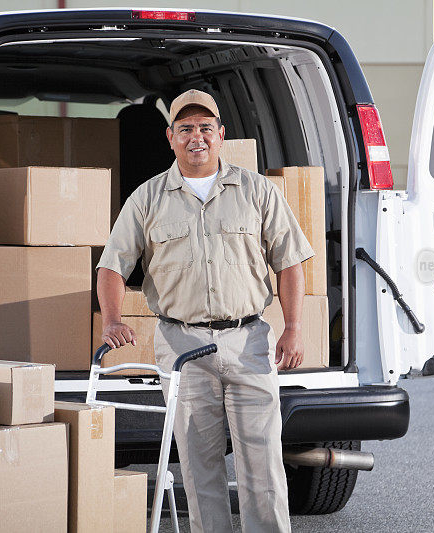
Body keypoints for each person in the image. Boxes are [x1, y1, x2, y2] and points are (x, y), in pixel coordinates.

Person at [95, 89, 314, 532]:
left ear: (221, 134)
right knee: (198, 463)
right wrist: (112, 319)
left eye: (205, 128)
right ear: (170, 137)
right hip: (182, 344)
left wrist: (293, 329)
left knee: (263, 461)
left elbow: (290, 262)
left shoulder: (257, 191)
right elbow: (112, 265)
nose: (197, 138)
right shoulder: (147, 198)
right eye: (186, 129)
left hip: (249, 340)